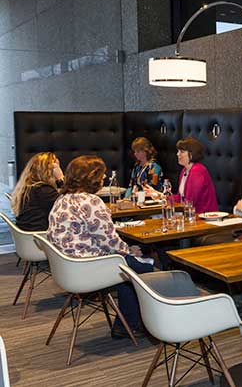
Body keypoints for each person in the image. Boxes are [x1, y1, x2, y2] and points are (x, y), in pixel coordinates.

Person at [47, 155, 154, 339]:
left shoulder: (61, 199)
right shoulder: (91, 202)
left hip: (68, 268)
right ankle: (136, 323)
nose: (104, 178)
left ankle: (126, 323)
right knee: (144, 267)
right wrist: (130, 250)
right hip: (88, 268)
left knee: (125, 265)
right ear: (92, 177)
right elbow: (110, 241)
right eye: (102, 175)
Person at [146, 136, 218, 213]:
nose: (177, 154)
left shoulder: (197, 171)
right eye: (178, 151)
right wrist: (158, 194)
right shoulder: (184, 171)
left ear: (192, 154)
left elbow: (189, 202)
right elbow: (180, 198)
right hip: (190, 215)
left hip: (202, 217)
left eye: (182, 152)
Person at [11, 152, 64, 231]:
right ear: (49, 170)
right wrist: (61, 178)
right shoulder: (42, 190)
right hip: (40, 237)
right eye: (57, 167)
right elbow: (68, 206)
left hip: (29, 235)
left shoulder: (29, 187)